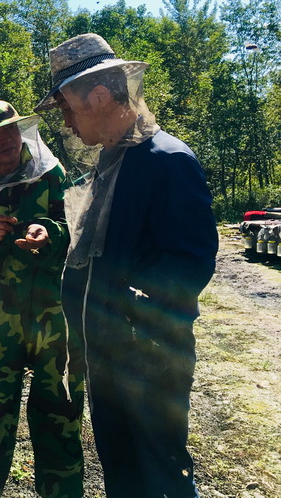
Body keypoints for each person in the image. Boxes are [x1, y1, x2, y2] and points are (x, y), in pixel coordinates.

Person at [34, 33, 218, 498]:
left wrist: (129, 308)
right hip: (107, 357)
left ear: (98, 96)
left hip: (149, 361)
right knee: (121, 470)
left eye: (67, 107)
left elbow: (190, 264)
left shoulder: (167, 161)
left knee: (159, 474)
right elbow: (96, 254)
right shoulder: (111, 164)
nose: (68, 124)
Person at [0, 98, 84, 498]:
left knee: (58, 414)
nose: (5, 138)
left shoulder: (52, 175)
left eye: (10, 128)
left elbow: (81, 233)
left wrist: (50, 233)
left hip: (52, 317)